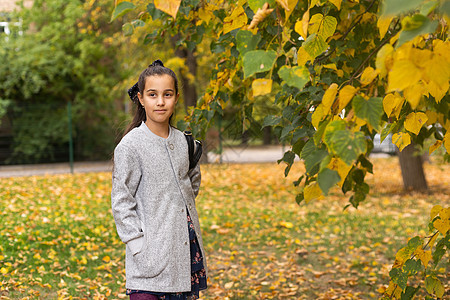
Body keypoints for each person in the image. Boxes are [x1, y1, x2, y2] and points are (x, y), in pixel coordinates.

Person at [111, 60, 207, 300]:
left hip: (184, 254)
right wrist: (137, 245)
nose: (161, 102)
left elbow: (191, 183)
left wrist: (175, 206)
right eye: (153, 95)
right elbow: (121, 201)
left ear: (176, 98)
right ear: (141, 99)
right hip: (147, 261)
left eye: (168, 94)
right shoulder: (131, 146)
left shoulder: (186, 143)